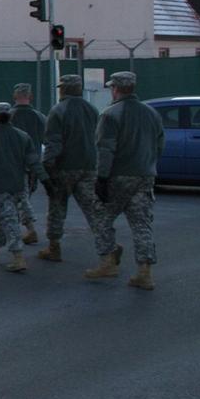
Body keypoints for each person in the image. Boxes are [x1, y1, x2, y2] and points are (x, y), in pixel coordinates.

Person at [84, 72, 165, 289]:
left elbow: (105, 149)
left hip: (118, 176)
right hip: (145, 175)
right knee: (141, 224)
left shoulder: (111, 114)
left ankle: (108, 262)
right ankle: (145, 271)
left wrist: (101, 178)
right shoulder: (151, 113)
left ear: (115, 89)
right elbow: (159, 145)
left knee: (101, 216)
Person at [0, 102, 45, 273]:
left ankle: (18, 257)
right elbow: (33, 161)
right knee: (5, 218)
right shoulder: (22, 135)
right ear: (10, 116)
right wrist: (45, 179)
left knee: (8, 220)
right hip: (18, 184)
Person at [37, 74, 100, 263]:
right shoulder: (92, 109)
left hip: (64, 166)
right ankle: (107, 244)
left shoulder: (58, 110)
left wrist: (47, 167)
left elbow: (53, 143)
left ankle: (54, 247)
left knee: (57, 206)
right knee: (92, 208)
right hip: (88, 165)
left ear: (63, 89)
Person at [10, 83, 48, 246]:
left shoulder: (9, 116)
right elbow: (47, 140)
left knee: (17, 200)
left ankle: (26, 231)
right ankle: (27, 229)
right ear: (30, 97)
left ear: (14, 96)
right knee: (25, 198)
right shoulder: (40, 117)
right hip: (34, 164)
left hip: (14, 165)